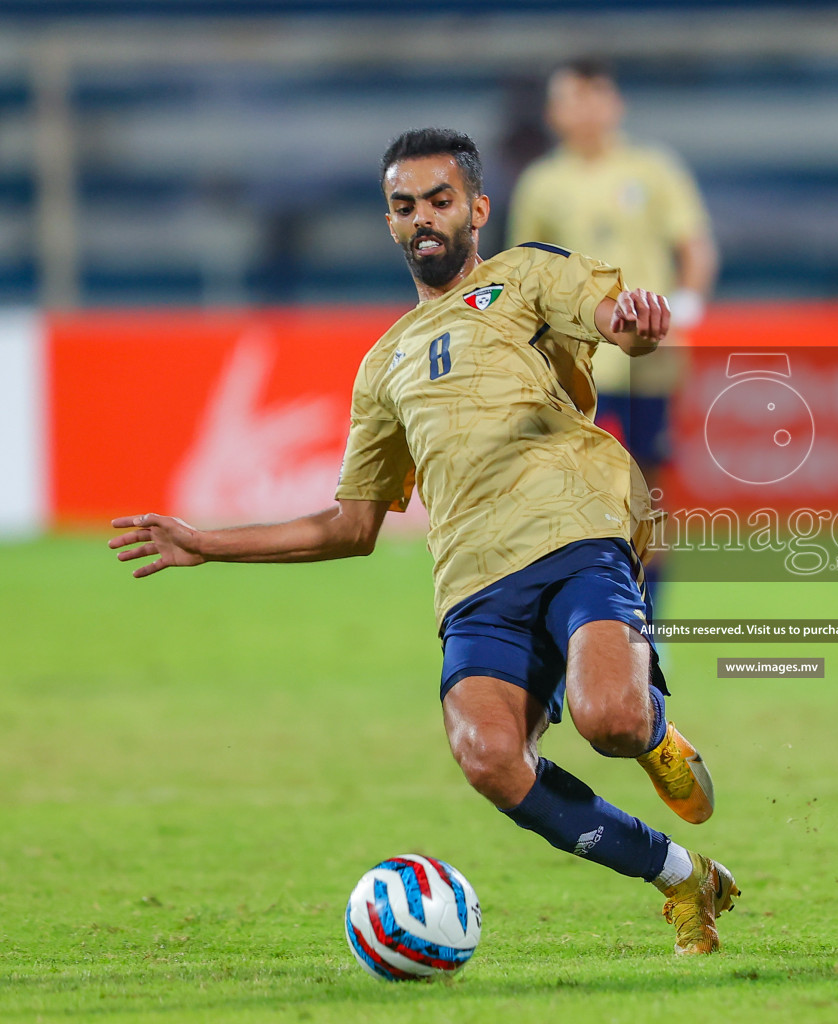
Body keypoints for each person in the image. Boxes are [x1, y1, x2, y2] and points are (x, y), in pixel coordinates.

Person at [108, 128, 737, 956]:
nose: (422, 217)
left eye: (439, 200)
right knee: (489, 758)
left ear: (476, 208)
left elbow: (615, 319)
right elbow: (352, 524)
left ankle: (653, 733)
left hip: (575, 525)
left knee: (609, 719)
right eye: (404, 206)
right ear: (391, 223)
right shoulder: (383, 365)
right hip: (474, 577)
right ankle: (683, 877)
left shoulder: (526, 275)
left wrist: (638, 323)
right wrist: (206, 543)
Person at [510, 56, 717, 601]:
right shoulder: (542, 185)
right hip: (576, 364)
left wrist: (688, 305)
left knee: (650, 488)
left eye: (595, 94)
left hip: (648, 357)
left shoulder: (652, 170)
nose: (586, 109)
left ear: (614, 103)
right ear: (554, 113)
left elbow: (694, 246)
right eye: (572, 98)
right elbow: (524, 271)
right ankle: (584, 611)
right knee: (576, 488)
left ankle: (650, 621)